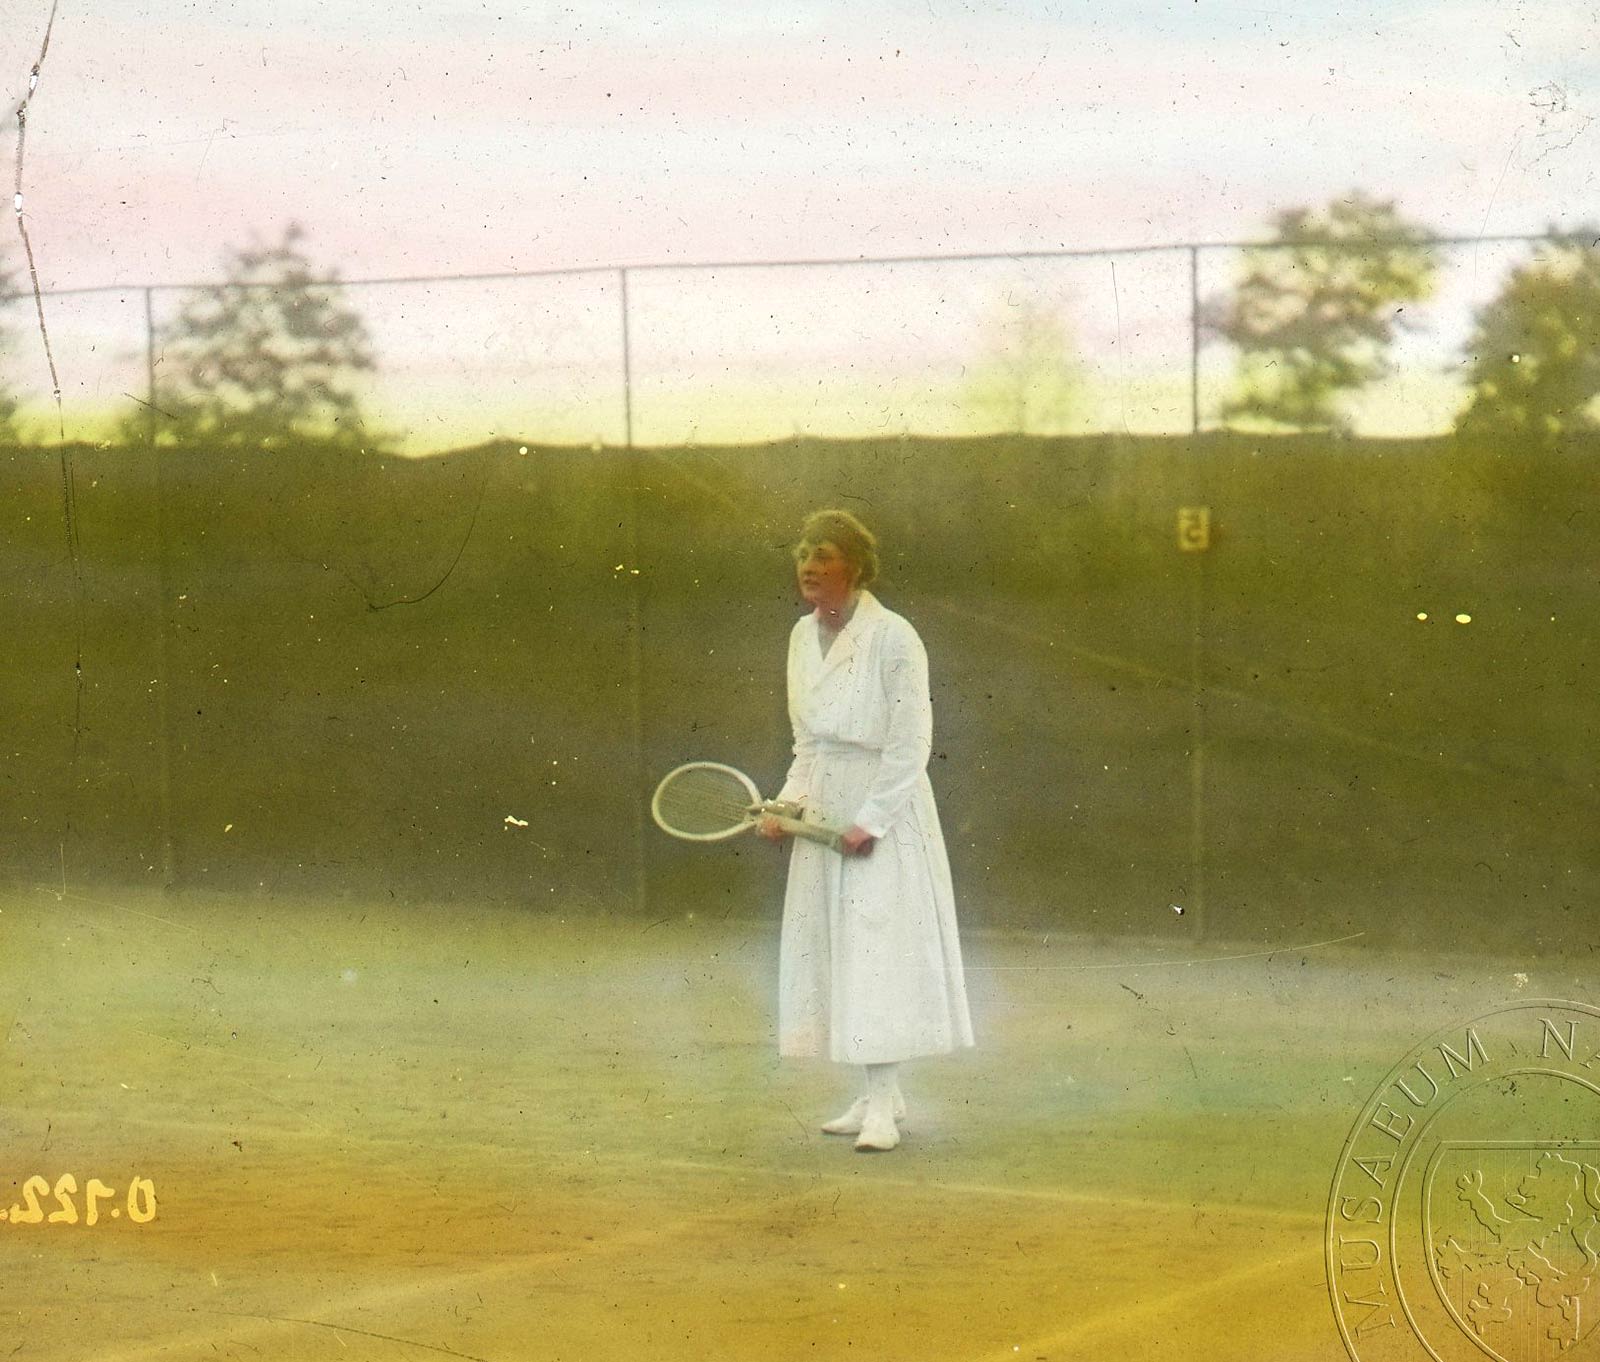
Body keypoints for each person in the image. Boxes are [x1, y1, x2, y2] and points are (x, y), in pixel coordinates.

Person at [758, 509, 974, 1152]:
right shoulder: (801, 637)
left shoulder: (895, 637)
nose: (810, 566)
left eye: (824, 554)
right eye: (803, 554)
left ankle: (882, 1104)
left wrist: (871, 820)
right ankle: (880, 1092)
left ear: (855, 567)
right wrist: (788, 804)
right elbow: (808, 741)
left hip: (887, 808)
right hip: (825, 805)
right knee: (837, 950)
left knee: (877, 954)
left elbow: (911, 743)